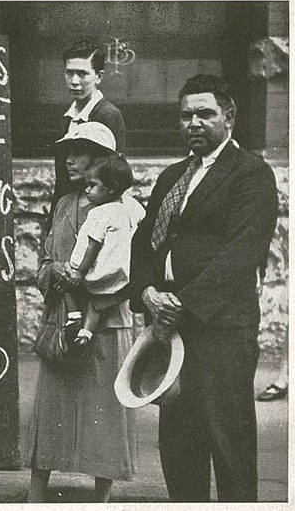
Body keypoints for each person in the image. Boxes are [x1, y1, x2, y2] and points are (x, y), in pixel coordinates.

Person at [129, 74, 278, 502]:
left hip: (220, 330)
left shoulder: (251, 173)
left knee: (227, 443)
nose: (193, 123)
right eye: (185, 115)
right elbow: (143, 244)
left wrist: (184, 305)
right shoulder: (173, 176)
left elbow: (240, 253)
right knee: (178, 445)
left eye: (204, 113)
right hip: (169, 329)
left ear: (228, 117)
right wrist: (146, 294)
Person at [26, 122, 138, 503]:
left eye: (80, 151)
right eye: (67, 151)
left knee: (104, 415)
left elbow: (132, 269)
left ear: (103, 160)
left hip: (106, 322)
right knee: (51, 411)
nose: (70, 159)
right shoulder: (64, 204)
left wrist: (92, 290)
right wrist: (51, 273)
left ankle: (101, 498)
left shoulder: (125, 210)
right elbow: (44, 260)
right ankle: (36, 497)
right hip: (63, 321)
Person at [62, 154, 145, 347]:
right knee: (97, 303)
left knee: (66, 281)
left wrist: (80, 271)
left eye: (92, 185)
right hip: (118, 270)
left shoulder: (100, 212)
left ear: (111, 188)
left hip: (95, 267)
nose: (87, 189)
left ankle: (73, 316)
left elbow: (94, 244)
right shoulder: (129, 209)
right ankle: (86, 333)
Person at [52, 41, 126, 212]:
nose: (74, 81)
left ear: (98, 76)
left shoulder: (108, 115)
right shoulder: (68, 117)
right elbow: (61, 180)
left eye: (82, 74)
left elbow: (113, 176)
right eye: (69, 73)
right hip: (67, 210)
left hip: (95, 210)